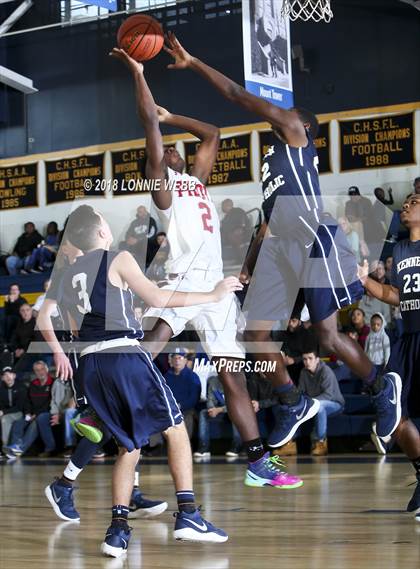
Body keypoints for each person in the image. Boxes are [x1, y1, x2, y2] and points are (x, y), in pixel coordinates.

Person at [161, 32, 402, 449]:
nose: (278, 113)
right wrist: (252, 260)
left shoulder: (294, 132)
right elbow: (269, 221)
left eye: (286, 111)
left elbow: (236, 93)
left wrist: (194, 62)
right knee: (254, 337)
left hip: (313, 238)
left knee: (327, 337)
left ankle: (381, 388)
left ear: (302, 124)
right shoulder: (272, 159)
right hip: (278, 246)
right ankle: (292, 401)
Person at [112, 45, 302, 492]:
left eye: (178, 149)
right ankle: (103, 406)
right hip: (183, 280)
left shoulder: (197, 182)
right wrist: (140, 75)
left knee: (231, 372)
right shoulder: (162, 187)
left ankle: (257, 461)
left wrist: (172, 116)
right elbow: (148, 129)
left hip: (215, 286)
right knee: (152, 345)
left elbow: (213, 133)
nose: (177, 151)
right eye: (169, 151)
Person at [40, 205, 239, 557]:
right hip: (123, 357)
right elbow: (160, 300)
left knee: (129, 444)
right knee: (175, 429)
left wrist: (130, 310)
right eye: (105, 221)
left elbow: (77, 327)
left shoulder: (70, 275)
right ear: (101, 233)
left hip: (91, 365)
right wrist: (214, 294)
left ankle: (117, 530)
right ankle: (189, 514)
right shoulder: (117, 258)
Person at [37, 239, 172, 523]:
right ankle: (63, 484)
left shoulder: (91, 271)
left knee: (124, 422)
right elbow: (43, 318)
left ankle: (130, 494)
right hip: (84, 355)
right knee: (103, 427)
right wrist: (59, 353)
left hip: (102, 353)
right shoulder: (65, 275)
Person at [358, 193, 420, 520]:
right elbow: (394, 295)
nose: (406, 206)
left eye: (413, 201)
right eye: (405, 202)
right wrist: (363, 280)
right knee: (395, 416)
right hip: (406, 338)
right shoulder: (399, 250)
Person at [297, 351, 345, 456]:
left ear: (317, 360)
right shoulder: (303, 372)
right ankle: (289, 444)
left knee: (320, 407)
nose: (307, 362)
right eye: (305, 359)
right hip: (314, 403)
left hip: (335, 404)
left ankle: (321, 442)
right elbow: (300, 392)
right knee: (293, 407)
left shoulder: (326, 371)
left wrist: (310, 403)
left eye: (310, 358)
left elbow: (328, 395)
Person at [7, 361, 56, 457]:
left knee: (36, 422)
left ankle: (19, 449)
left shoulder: (53, 383)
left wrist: (36, 415)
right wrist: (28, 413)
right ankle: (14, 447)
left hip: (46, 414)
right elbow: (28, 401)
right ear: (34, 372)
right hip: (32, 414)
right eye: (37, 370)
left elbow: (50, 403)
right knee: (18, 423)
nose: (40, 372)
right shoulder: (33, 384)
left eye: (42, 369)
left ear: (46, 370)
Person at [194, 375, 242, 459]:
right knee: (203, 413)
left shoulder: (237, 381)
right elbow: (210, 399)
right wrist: (211, 409)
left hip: (234, 410)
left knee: (236, 412)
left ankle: (237, 447)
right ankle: (203, 447)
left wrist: (220, 410)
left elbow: (237, 404)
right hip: (220, 411)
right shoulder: (213, 381)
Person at [164, 348, 201, 439]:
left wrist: (179, 406)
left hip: (185, 409)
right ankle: (155, 447)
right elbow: (162, 395)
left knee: (188, 415)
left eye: (180, 358)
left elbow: (194, 398)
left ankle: (186, 443)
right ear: (171, 360)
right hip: (169, 409)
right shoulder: (166, 377)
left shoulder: (192, 376)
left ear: (185, 360)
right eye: (175, 358)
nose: (177, 361)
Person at [0, 367, 25, 457]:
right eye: (5, 375)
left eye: (10, 374)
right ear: (2, 378)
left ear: (14, 375)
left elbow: (19, 407)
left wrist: (3, 412)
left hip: (19, 413)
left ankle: (5, 447)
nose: (8, 377)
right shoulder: (1, 388)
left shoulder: (21, 387)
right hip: (7, 412)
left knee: (4, 419)